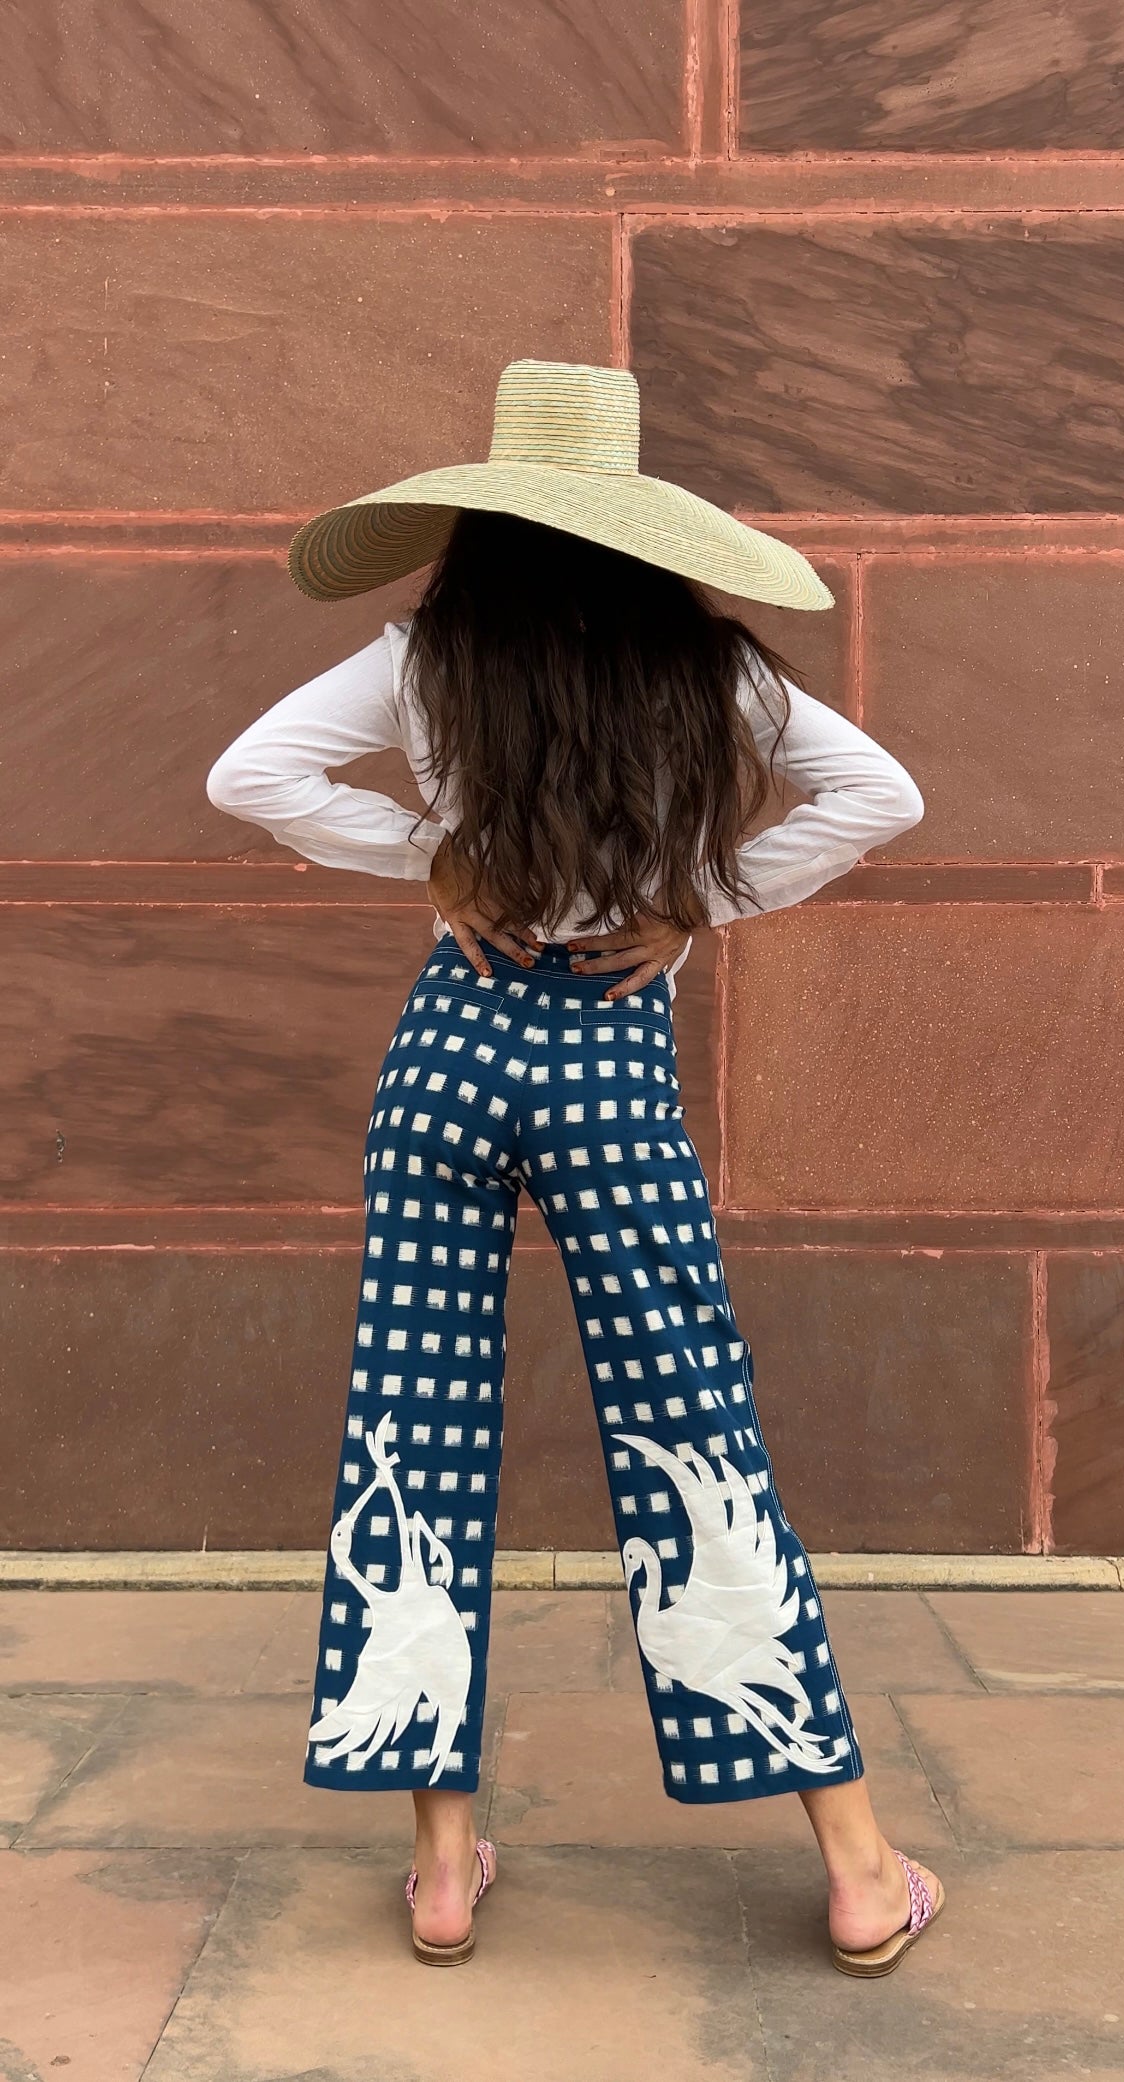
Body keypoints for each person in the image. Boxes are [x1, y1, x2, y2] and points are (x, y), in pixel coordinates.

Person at [206, 358, 945, 1977]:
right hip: (608, 1062)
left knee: (413, 1433)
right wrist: (695, 901)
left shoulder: (427, 658)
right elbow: (878, 793)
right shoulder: (705, 669)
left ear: (483, 517)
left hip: (453, 1052)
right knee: (696, 1430)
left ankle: (443, 1867)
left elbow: (248, 776)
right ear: (639, 527)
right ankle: (857, 1864)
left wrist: (438, 857)